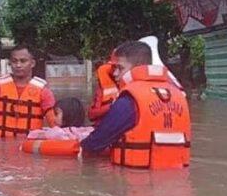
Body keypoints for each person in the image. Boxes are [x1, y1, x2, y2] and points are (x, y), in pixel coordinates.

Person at [80, 40, 191, 169]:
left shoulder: (129, 100)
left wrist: (80, 148)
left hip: (135, 181)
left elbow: (96, 143)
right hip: (175, 180)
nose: (115, 73)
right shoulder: (178, 95)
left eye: (120, 68)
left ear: (138, 67)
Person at [0, 44, 57, 139]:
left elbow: (54, 125)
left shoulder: (44, 92)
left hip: (28, 147)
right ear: (10, 63)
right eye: (14, 61)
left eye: (23, 61)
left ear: (32, 63)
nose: (18, 65)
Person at [26, 97, 93, 141]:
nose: (54, 118)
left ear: (68, 115)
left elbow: (32, 135)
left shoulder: (58, 133)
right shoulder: (87, 131)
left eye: (56, 114)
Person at [87, 50, 120, 125]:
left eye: (120, 68)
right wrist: (111, 106)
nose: (116, 72)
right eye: (114, 67)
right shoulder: (102, 89)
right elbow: (91, 114)